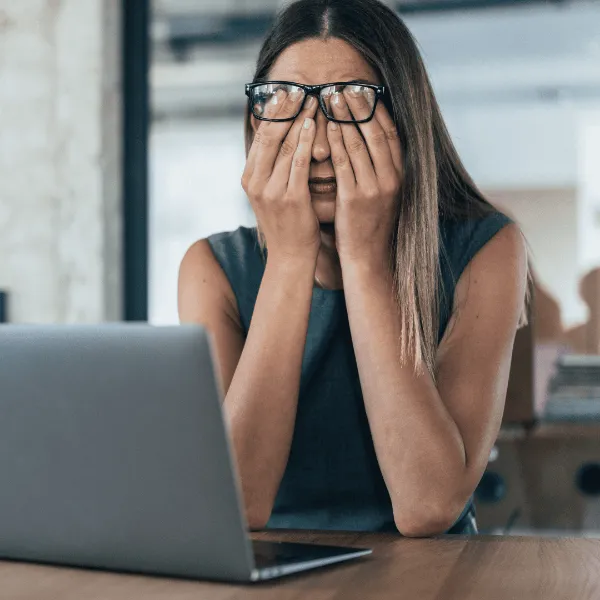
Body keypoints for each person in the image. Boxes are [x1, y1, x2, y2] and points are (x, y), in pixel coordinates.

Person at [178, 0, 530, 537]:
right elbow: (234, 504)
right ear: (257, 119)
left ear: (405, 119)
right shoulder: (213, 269)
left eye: (352, 102)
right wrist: (291, 260)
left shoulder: (487, 250)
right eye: (287, 102)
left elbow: (429, 505)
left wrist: (364, 259)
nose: (317, 146)